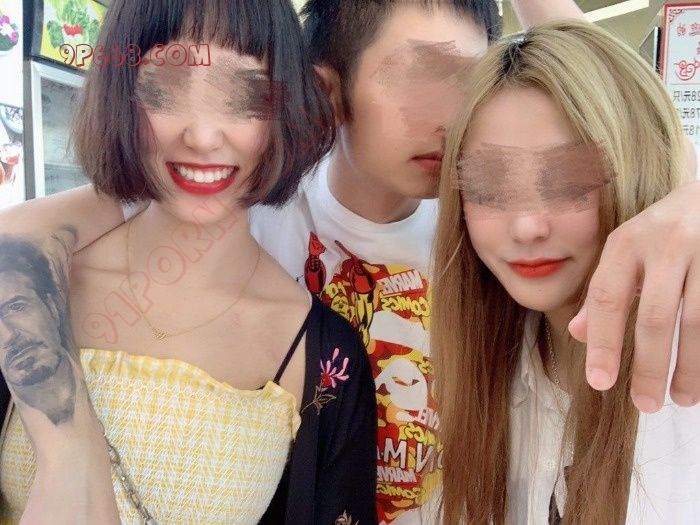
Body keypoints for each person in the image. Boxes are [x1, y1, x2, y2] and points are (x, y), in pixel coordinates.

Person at [3, 0, 700, 523]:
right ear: (327, 92)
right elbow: (23, 237)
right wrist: (69, 451)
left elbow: (611, 125)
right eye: (420, 76)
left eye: (469, 79)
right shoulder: (249, 204)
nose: (450, 114)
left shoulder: (489, 240)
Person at [0, 1, 377, 524]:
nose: (203, 137)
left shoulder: (323, 356)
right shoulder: (32, 288)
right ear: (120, 95)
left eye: (245, 95)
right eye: (166, 89)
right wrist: (69, 456)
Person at [432, 19, 700, 524]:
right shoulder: (490, 361)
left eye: (569, 183)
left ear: (638, 168)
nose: (527, 227)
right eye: (489, 189)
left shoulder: (685, 355)